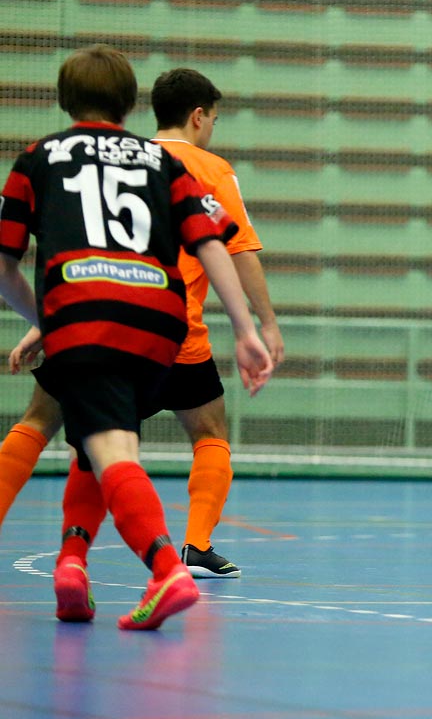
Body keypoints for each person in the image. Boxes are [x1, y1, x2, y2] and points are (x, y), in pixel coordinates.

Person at [0, 45, 272, 629]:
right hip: (164, 324)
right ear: (128, 104)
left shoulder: (38, 157)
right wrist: (249, 329)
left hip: (84, 313)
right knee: (105, 440)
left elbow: (6, 264)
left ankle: (163, 565)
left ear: (64, 99)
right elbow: (216, 243)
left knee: (97, 445)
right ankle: (77, 563)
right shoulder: (166, 165)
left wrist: (44, 321)